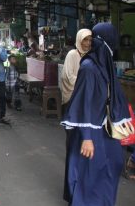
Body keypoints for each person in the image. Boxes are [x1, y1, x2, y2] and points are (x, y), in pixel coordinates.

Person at [61, 23, 131, 206]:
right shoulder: (89, 68)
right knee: (90, 174)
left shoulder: (102, 64)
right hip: (91, 132)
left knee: (111, 166)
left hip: (104, 129)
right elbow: (84, 103)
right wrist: (87, 138)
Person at [60, 28, 92, 201]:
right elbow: (67, 76)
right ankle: (72, 187)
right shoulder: (73, 54)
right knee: (73, 144)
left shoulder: (89, 56)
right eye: (85, 39)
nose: (87, 43)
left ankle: (80, 184)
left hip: (82, 105)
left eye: (89, 40)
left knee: (83, 145)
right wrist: (83, 85)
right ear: (79, 40)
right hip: (72, 104)